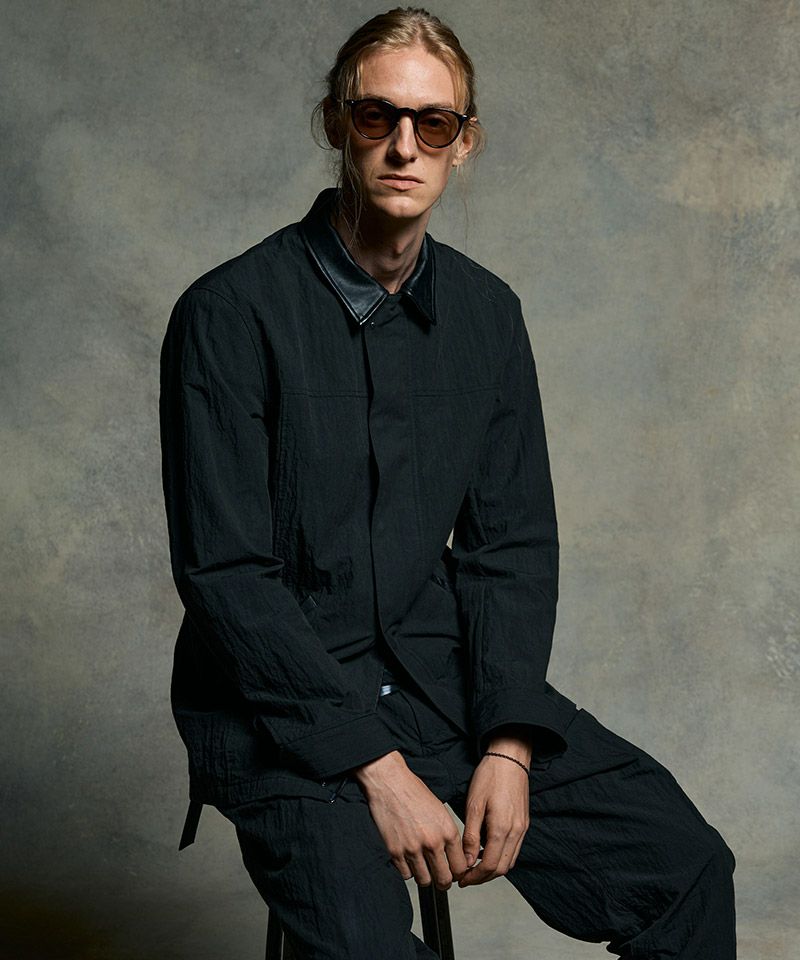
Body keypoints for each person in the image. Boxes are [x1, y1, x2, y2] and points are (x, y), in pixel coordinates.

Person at [159, 7, 737, 958]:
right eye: (377, 116)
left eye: (432, 124)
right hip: (281, 715)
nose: (404, 146)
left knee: (684, 866)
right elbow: (228, 576)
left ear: (464, 143)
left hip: (445, 688)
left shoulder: (488, 315)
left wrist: (510, 744)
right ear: (337, 124)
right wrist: (378, 770)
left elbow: (510, 549)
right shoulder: (230, 313)